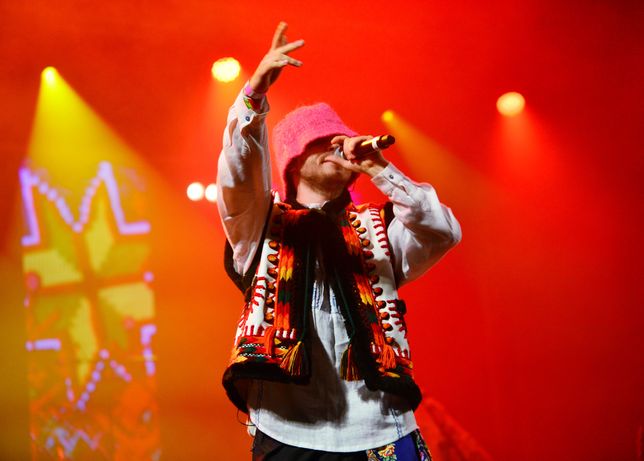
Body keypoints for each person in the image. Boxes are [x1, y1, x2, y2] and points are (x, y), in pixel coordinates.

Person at [216, 22, 461, 461]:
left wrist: (382, 170)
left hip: (382, 425)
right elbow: (238, 174)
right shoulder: (260, 223)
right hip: (287, 429)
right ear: (293, 161)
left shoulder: (377, 228)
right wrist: (253, 97)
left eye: (339, 138)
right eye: (320, 140)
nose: (336, 145)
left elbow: (443, 232)